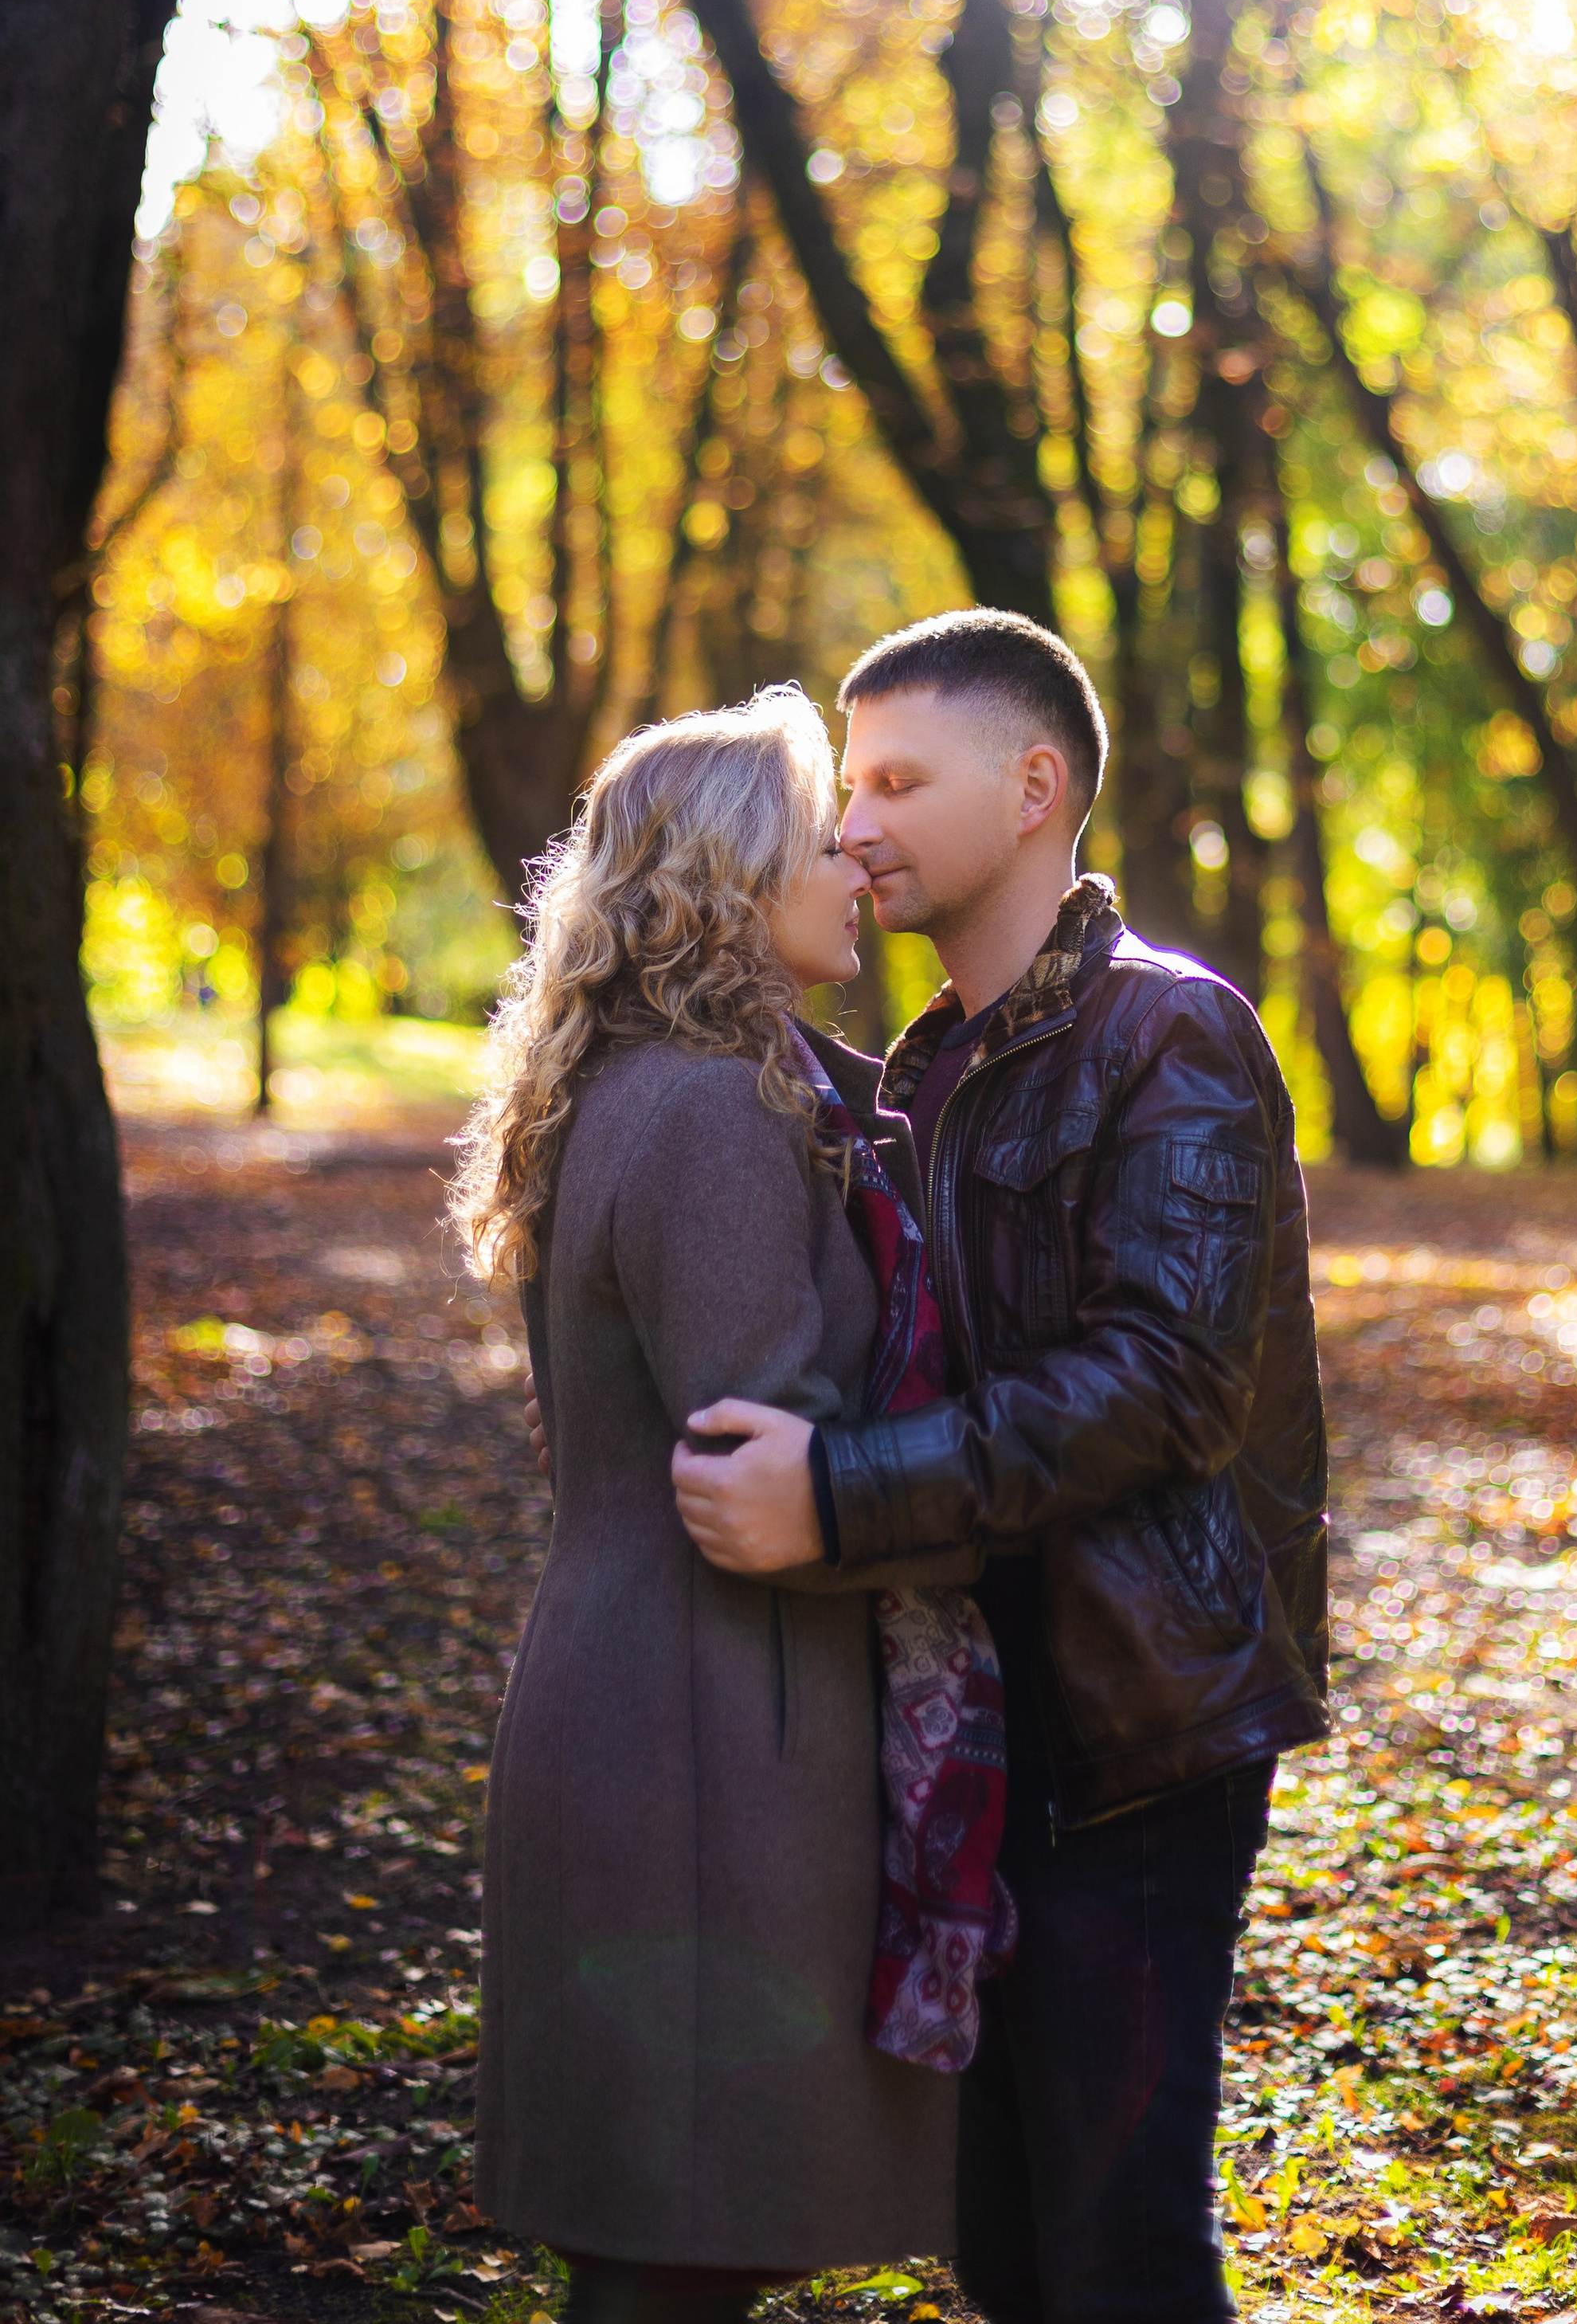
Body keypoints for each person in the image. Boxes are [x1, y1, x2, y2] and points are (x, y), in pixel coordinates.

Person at [673, 611, 1329, 2324]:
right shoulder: (928, 1069)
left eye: (896, 778)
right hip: (966, 1718)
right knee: (1001, 2249)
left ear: (1034, 787)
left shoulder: (1165, 1037)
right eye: (845, 784)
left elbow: (1164, 1382)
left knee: (1116, 2251)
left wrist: (839, 1495)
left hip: (1133, 1729)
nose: (855, 822)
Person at [456, 688, 994, 2324]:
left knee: (677, 2227)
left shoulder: (664, 1085)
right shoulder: (708, 1109)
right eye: (816, 825)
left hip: (671, 1704)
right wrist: (1013, 1507)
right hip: (706, 1731)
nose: (851, 854)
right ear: (725, 879)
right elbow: (769, 1452)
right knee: (677, 2239)